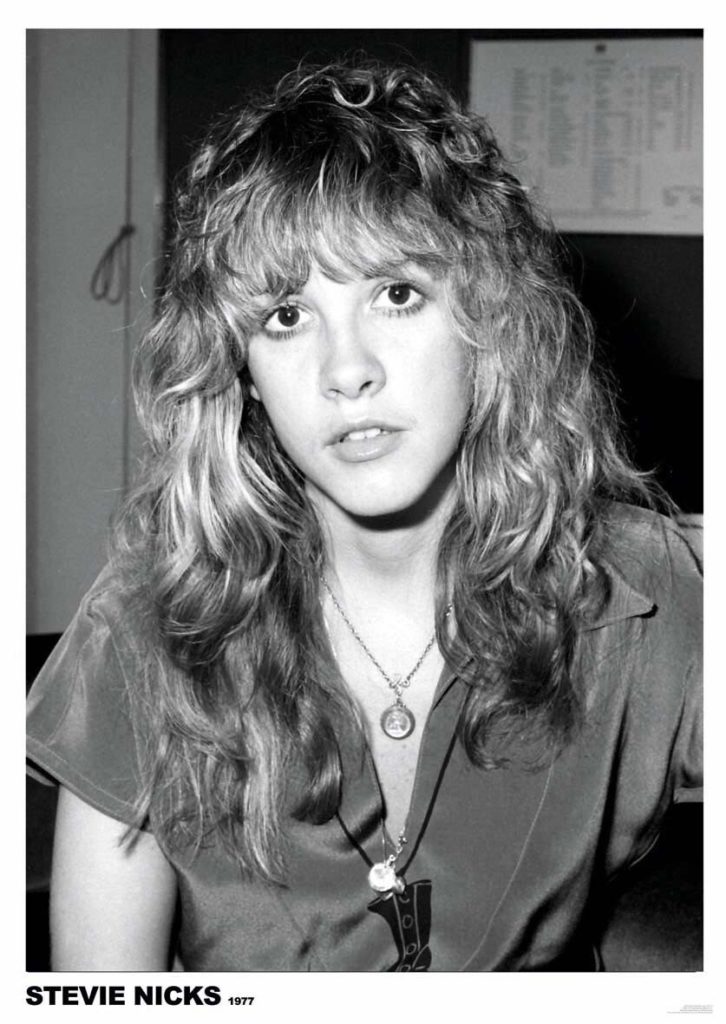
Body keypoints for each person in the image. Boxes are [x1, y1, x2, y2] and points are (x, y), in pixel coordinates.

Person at [26, 59, 702, 972]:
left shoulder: (642, 591)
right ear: (242, 373)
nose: (347, 371)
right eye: (286, 315)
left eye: (397, 294)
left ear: (490, 322)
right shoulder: (147, 629)